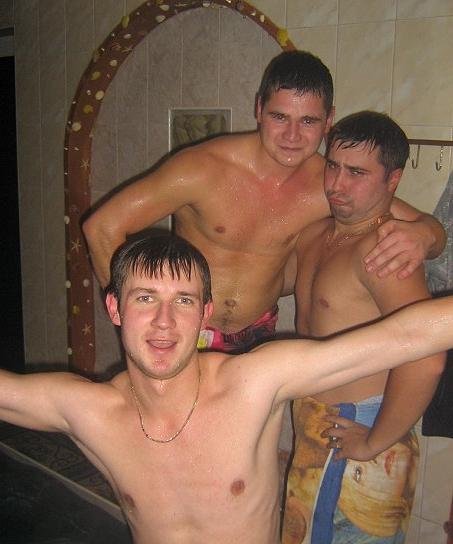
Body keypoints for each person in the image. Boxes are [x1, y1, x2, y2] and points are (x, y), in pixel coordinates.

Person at [2, 232, 453, 544]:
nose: (164, 321)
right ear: (115, 308)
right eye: (145, 298)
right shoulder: (91, 411)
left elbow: (404, 335)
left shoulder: (254, 383)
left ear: (205, 315)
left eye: (183, 301)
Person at [82, 51, 445, 354]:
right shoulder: (201, 169)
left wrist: (425, 235)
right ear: (259, 108)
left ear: (328, 122)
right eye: (279, 117)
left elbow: (430, 230)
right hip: (187, 330)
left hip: (259, 334)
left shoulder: (329, 182)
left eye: (308, 121)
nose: (292, 135)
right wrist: (135, 317)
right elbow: (101, 227)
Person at [281, 111, 446, 544]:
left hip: (362, 431)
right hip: (319, 428)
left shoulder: (385, 251)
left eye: (357, 173)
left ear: (393, 180)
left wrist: (374, 441)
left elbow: (427, 360)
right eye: (332, 166)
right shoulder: (316, 235)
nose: (336, 184)